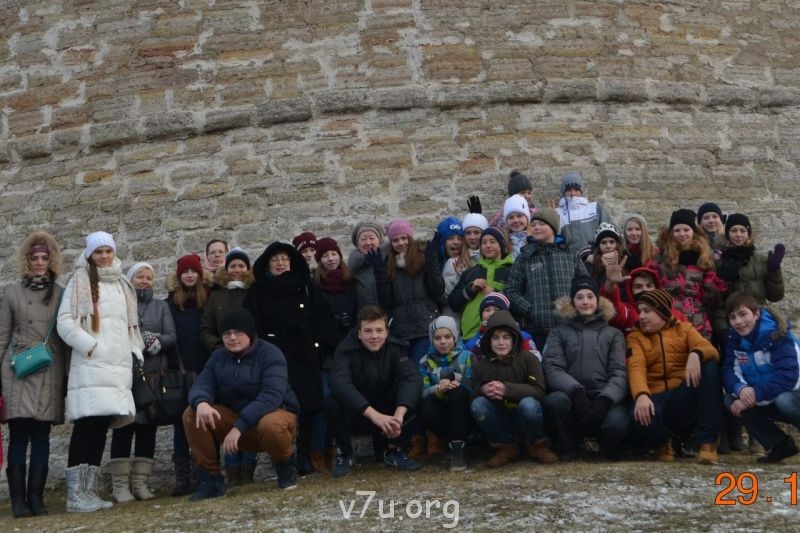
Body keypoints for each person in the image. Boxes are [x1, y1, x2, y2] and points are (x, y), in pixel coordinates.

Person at [57, 231, 145, 513]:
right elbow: (65, 323)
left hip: (118, 370)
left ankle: (89, 492)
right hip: (91, 367)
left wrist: (135, 350)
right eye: (99, 252)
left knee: (100, 430)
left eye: (108, 251)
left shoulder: (121, 283)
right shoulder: (79, 281)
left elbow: (129, 326)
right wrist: (91, 347)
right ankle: (75, 495)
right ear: (90, 254)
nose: (104, 256)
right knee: (85, 427)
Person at [183, 308, 300, 500]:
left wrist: (239, 427)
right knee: (192, 413)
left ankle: (285, 466)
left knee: (271, 425)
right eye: (227, 333)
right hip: (235, 422)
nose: (232, 338)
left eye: (238, 332)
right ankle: (211, 480)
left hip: (273, 417)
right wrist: (201, 402)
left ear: (250, 333)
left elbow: (271, 396)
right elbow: (202, 384)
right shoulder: (218, 357)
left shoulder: (270, 354)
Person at [245, 241, 338, 476]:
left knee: (308, 406)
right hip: (273, 357)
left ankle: (305, 457)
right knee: (277, 407)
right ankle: (283, 458)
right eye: (275, 259)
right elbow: (252, 324)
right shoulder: (257, 291)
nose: (280, 263)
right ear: (267, 264)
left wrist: (318, 344)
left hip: (306, 355)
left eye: (285, 259)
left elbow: (322, 316)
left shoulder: (305, 286)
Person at [0, 231, 67, 517]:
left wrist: (68, 377)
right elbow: (2, 335)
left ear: (51, 260)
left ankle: (36, 498)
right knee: (18, 435)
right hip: (17, 369)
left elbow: (65, 338)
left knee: (41, 436)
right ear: (27, 260)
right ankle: (18, 501)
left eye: (44, 258)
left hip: (49, 368)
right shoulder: (12, 293)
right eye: (34, 258)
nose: (39, 262)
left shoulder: (61, 293)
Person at [107, 262, 177, 503]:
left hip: (153, 375)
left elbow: (171, 336)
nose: (145, 281)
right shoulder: (121, 303)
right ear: (130, 279)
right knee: (124, 427)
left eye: (149, 277)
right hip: (127, 373)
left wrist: (156, 341)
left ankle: (140, 484)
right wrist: (135, 340)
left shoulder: (161, 306)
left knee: (148, 427)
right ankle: (120, 486)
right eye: (140, 277)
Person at [326, 305, 423, 477]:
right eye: (368, 331)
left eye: (379, 330)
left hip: (388, 414)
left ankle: (395, 449)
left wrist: (399, 415)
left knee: (410, 393)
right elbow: (339, 383)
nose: (374, 336)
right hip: (358, 414)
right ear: (359, 333)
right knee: (331, 402)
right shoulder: (345, 350)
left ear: (386, 332)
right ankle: (345, 453)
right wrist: (374, 415)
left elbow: (412, 378)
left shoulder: (394, 348)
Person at [626, 289, 721, 464]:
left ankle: (708, 443)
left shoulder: (684, 329)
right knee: (637, 415)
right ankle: (663, 443)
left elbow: (711, 350)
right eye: (640, 311)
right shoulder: (635, 336)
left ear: (661, 312)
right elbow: (635, 367)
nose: (641, 316)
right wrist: (641, 395)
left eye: (647, 311)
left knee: (709, 366)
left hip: (680, 397)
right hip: (654, 398)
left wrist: (696, 354)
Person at [542, 276, 629, 461]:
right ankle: (568, 446)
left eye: (590, 296)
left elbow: (619, 372)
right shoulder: (558, 333)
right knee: (555, 402)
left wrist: (606, 399)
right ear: (572, 301)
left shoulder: (614, 334)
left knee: (617, 422)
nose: (585, 301)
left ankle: (607, 448)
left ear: (598, 300)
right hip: (573, 397)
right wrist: (576, 391)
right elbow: (552, 368)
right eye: (579, 297)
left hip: (602, 397)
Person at [198, 246, 257, 485]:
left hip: (252, 359)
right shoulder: (217, 297)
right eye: (233, 266)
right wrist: (217, 346)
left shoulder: (254, 293)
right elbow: (205, 329)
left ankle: (248, 467)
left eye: (241, 266)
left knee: (250, 409)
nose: (237, 270)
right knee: (228, 410)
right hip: (225, 359)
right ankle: (232, 469)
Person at [470, 310, 557, 468]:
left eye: (506, 337)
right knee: (478, 405)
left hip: (526, 415)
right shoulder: (481, 365)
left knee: (529, 404)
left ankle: (537, 445)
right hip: (500, 417)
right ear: (488, 340)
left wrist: (507, 389)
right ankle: (505, 447)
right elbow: (471, 394)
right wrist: (483, 390)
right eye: (495, 338)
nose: (501, 343)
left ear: (514, 338)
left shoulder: (529, 358)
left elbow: (539, 390)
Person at [723, 292, 800, 463]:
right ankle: (780, 445)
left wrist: (754, 395)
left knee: (785, 401)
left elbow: (789, 377)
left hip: (793, 392)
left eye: (743, 314)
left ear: (756, 313)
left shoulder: (778, 335)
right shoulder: (734, 339)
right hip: (768, 395)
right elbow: (729, 370)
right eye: (733, 317)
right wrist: (741, 389)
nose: (739, 322)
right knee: (731, 400)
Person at [507, 208, 587, 348]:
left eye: (542, 224)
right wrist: (530, 311)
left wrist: (576, 308)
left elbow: (585, 284)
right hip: (537, 331)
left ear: (553, 228)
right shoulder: (525, 257)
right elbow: (512, 291)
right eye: (533, 225)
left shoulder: (570, 254)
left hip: (570, 328)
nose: (536, 227)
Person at [166, 253, 210, 496]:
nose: (190, 275)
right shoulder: (171, 303)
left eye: (194, 271)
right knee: (181, 425)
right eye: (186, 272)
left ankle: (202, 471)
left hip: (205, 369)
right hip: (180, 371)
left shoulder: (208, 300)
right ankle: (182, 477)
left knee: (204, 423)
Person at [654, 208, 727, 340]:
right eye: (677, 230)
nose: (682, 234)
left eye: (686, 230)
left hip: (698, 323)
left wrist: (720, 282)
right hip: (669, 321)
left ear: (693, 232)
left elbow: (710, 297)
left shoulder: (704, 258)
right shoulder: (661, 259)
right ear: (671, 233)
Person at [379, 219, 445, 362]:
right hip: (401, 331)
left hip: (425, 325)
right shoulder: (389, 264)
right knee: (406, 370)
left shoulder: (422, 258)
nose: (401, 243)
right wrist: (380, 273)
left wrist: (432, 258)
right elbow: (386, 301)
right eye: (396, 240)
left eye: (404, 238)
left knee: (420, 367)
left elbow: (437, 289)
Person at [417, 316, 473, 472]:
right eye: (437, 338)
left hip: (464, 411)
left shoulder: (467, 356)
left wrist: (453, 380)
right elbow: (422, 391)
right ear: (431, 340)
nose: (443, 341)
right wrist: (439, 388)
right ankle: (448, 441)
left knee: (458, 392)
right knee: (424, 405)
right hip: (440, 410)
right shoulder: (424, 362)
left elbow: (472, 384)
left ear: (454, 337)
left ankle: (458, 447)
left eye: (447, 337)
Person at [448, 227, 514, 340]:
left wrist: (495, 293)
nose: (487, 246)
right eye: (484, 242)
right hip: (471, 335)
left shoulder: (512, 271)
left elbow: (517, 302)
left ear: (501, 244)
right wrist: (470, 289)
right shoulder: (470, 272)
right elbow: (453, 303)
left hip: (501, 335)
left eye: (492, 241)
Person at [556, 170, 613, 257]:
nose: (572, 193)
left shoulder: (595, 208)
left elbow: (609, 233)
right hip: (568, 260)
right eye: (568, 190)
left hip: (594, 259)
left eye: (576, 189)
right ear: (563, 192)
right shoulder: (557, 212)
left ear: (582, 191)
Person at [347, 221, 389, 311]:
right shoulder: (353, 267)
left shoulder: (389, 261)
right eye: (363, 239)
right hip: (364, 316)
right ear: (357, 244)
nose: (368, 243)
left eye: (372, 238)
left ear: (380, 241)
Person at [501, 194, 533, 259]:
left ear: (527, 218)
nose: (515, 220)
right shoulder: (501, 242)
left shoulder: (536, 238)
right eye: (511, 217)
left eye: (519, 216)